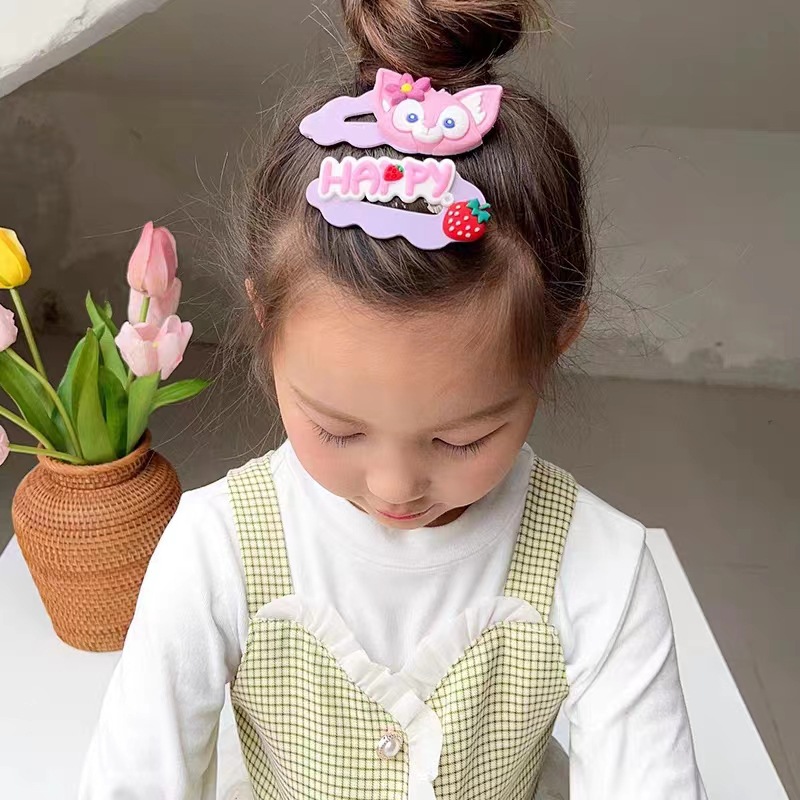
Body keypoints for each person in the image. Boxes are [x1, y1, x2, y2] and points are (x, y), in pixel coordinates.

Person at [80, 1, 708, 797]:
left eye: (460, 440)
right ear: (264, 322)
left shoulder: (601, 571)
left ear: (558, 340)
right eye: (338, 431)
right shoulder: (214, 553)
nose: (394, 487)